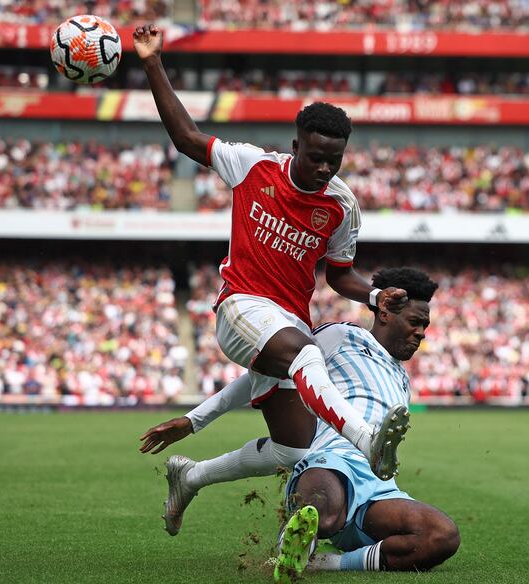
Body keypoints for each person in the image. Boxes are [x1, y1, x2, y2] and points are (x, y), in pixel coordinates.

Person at [134, 21, 410, 518]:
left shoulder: (341, 206)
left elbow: (339, 275)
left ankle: (189, 476)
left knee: (294, 450)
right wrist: (153, 62)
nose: (325, 169)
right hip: (240, 307)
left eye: (335, 160)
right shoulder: (252, 166)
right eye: (317, 157)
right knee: (307, 353)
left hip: (285, 325)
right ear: (296, 144)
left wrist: (372, 296)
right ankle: (366, 438)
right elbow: (184, 137)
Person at [140, 268, 459, 580]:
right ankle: (293, 536)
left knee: (441, 536)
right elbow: (259, 376)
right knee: (323, 511)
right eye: (415, 322)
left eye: (425, 326)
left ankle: (324, 563)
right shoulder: (340, 336)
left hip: (378, 486)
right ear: (386, 313)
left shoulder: (402, 379)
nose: (421, 333)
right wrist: (193, 420)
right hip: (328, 461)